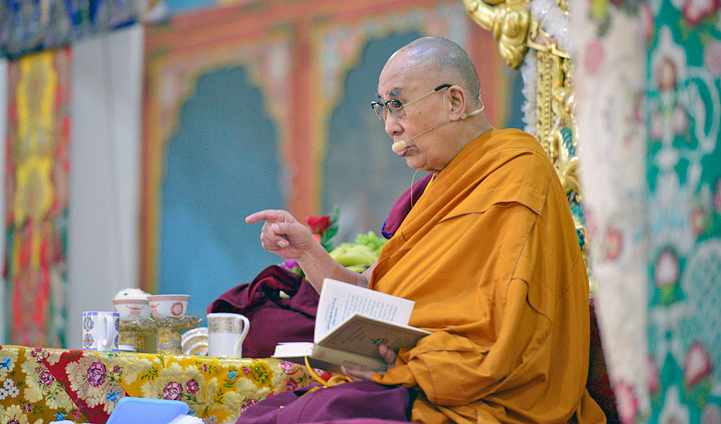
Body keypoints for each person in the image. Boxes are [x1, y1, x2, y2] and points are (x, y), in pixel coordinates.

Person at [243, 36, 605, 423]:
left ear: (454, 102)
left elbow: (503, 338)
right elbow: (366, 296)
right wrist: (307, 252)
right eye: (383, 108)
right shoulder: (437, 189)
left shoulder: (517, 172)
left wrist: (406, 365)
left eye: (397, 105)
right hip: (412, 380)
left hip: (480, 397)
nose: (390, 127)